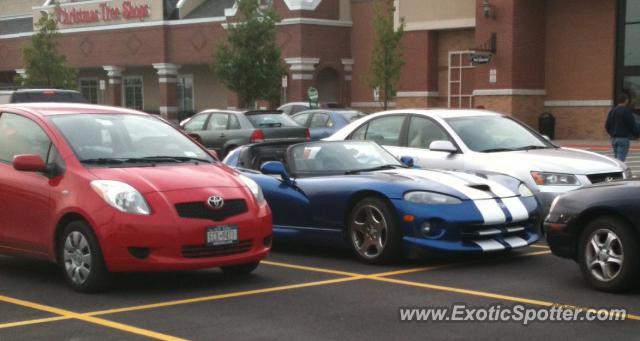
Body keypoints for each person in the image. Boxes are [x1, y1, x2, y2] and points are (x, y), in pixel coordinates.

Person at [605, 93, 639, 161]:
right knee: (620, 160)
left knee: (617, 160)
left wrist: (611, 133)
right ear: (626, 100)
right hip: (623, 138)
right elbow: (632, 125)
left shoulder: (612, 111)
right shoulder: (627, 111)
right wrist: (637, 135)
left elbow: (607, 125)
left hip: (614, 139)